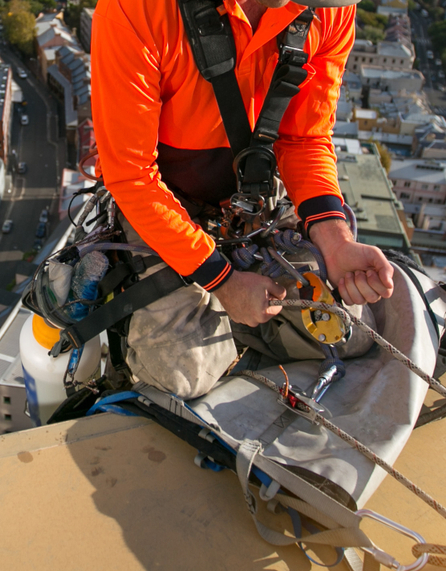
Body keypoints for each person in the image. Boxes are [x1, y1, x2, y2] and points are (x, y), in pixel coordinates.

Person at [89, 0, 394, 396]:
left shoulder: (327, 10)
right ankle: (209, 316)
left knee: (351, 334)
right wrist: (223, 281)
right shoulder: (139, 9)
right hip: (160, 202)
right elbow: (131, 175)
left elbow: (305, 137)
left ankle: (231, 322)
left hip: (253, 197)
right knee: (183, 373)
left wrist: (334, 240)